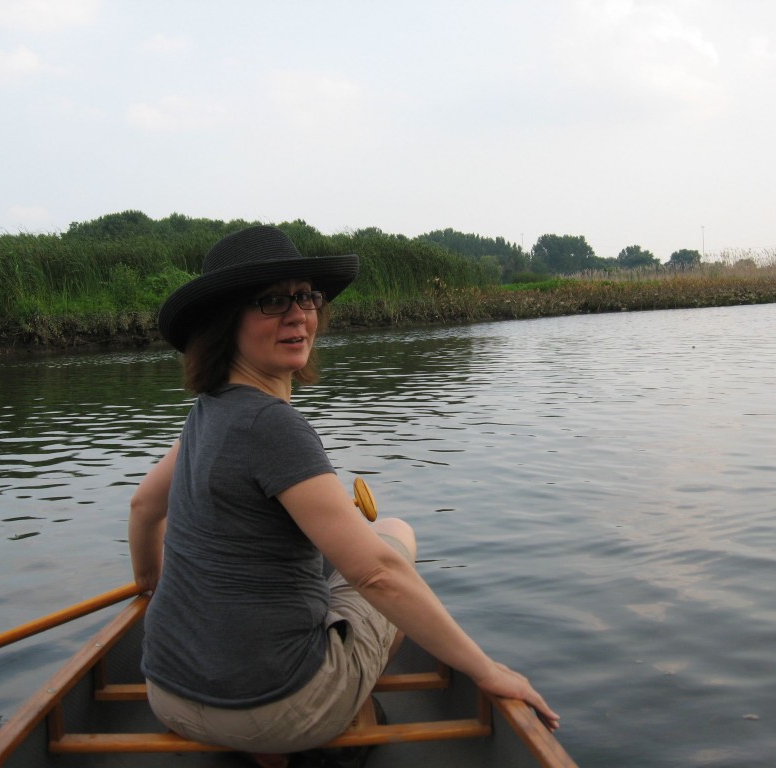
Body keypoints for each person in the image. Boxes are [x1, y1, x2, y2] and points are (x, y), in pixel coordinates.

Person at [128, 225, 558, 766]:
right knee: (395, 537)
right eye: (272, 301)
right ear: (224, 322)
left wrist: (149, 584)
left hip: (167, 695)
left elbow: (144, 507)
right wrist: (486, 670)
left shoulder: (205, 413)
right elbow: (378, 574)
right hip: (272, 708)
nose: (298, 314)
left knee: (340, 561)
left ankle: (265, 746)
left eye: (306, 296)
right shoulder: (271, 425)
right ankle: (308, 729)